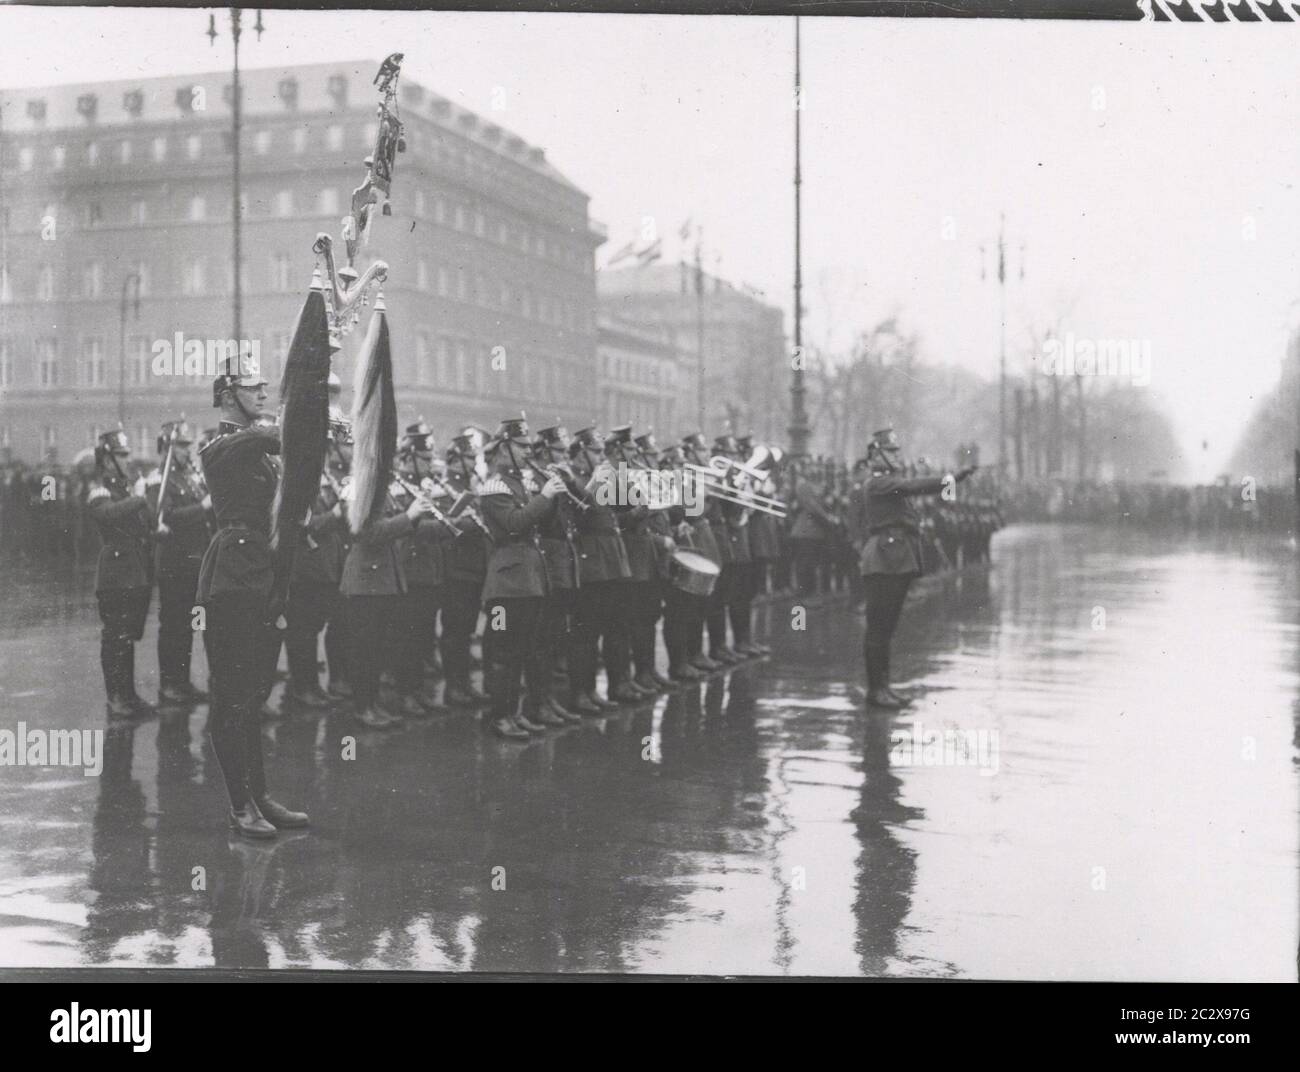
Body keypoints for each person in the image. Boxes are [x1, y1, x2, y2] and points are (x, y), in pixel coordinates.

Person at [197, 370, 308, 838]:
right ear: (226, 396)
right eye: (253, 388)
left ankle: (258, 795)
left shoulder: (259, 449)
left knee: (254, 695)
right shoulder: (218, 448)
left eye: (265, 387)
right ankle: (240, 805)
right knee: (231, 697)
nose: (263, 393)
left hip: (262, 580)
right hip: (231, 583)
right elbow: (272, 438)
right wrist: (307, 418)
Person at [854, 427, 975, 710]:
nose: (897, 455)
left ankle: (883, 686)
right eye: (891, 451)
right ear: (877, 454)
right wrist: (950, 478)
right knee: (879, 628)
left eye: (897, 451)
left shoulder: (888, 482)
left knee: (887, 628)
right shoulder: (878, 483)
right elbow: (913, 486)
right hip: (884, 557)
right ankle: (876, 690)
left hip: (894, 556)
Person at [477, 416, 567, 739]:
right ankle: (500, 717)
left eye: (530, 446)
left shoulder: (521, 483)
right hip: (506, 583)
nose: (529, 452)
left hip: (528, 579)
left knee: (521, 650)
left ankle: (513, 713)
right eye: (522, 446)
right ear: (505, 448)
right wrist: (544, 496)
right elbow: (515, 523)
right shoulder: (494, 486)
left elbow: (544, 524)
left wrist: (554, 494)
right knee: (503, 652)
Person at [84, 431, 156, 719]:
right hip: (115, 572)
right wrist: (138, 498)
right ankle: (116, 697)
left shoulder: (127, 488)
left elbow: (147, 519)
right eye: (122, 455)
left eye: (127, 454)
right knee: (115, 637)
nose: (128, 460)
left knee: (127, 636)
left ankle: (128, 694)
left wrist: (145, 496)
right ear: (108, 460)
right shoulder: (99, 487)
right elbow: (106, 515)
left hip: (135, 570)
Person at [147, 420, 212, 708]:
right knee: (173, 625)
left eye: (188, 446)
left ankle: (182, 681)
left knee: (187, 626)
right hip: (174, 561)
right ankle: (169, 685)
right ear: (169, 447)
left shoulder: (190, 477)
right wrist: (203, 508)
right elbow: (164, 516)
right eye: (182, 446)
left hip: (194, 560)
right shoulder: (159, 480)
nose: (188, 452)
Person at [440, 433, 490, 707]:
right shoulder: (444, 486)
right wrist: (475, 519)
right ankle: (453, 687)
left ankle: (464, 683)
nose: (473, 463)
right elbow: (450, 525)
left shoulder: (473, 486)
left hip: (473, 568)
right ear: (455, 459)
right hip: (455, 567)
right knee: (455, 632)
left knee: (467, 629)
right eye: (469, 458)